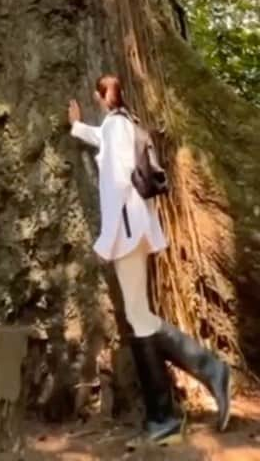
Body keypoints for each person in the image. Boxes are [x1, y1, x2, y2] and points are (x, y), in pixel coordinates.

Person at [69, 73, 231, 444]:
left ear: (99, 97)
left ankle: (196, 385)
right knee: (139, 315)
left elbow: (118, 180)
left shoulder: (115, 127)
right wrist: (79, 128)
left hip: (126, 230)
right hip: (138, 227)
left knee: (138, 315)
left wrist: (104, 242)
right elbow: (106, 144)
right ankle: (173, 406)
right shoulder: (123, 123)